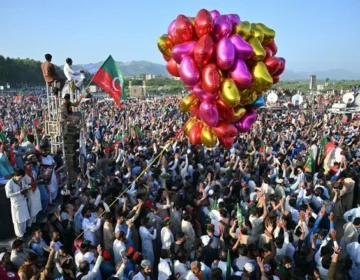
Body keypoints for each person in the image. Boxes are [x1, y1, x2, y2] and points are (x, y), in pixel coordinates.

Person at [5, 168, 30, 238]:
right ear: (16, 175)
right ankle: (19, 235)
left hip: (23, 201)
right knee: (18, 221)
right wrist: (19, 192)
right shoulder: (9, 183)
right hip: (16, 204)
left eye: (22, 177)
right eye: (20, 177)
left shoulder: (21, 181)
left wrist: (27, 188)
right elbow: (8, 195)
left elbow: (24, 186)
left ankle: (23, 232)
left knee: (24, 219)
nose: (21, 179)